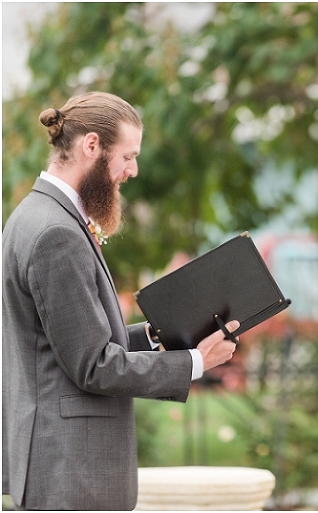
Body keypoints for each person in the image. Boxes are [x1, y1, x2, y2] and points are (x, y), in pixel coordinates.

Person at [2, 92, 239, 510]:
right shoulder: (55, 233)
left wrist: (155, 333)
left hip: (62, 468)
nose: (132, 171)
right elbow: (94, 366)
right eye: (128, 156)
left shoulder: (35, 215)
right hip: (71, 476)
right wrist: (197, 362)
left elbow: (67, 345)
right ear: (91, 146)